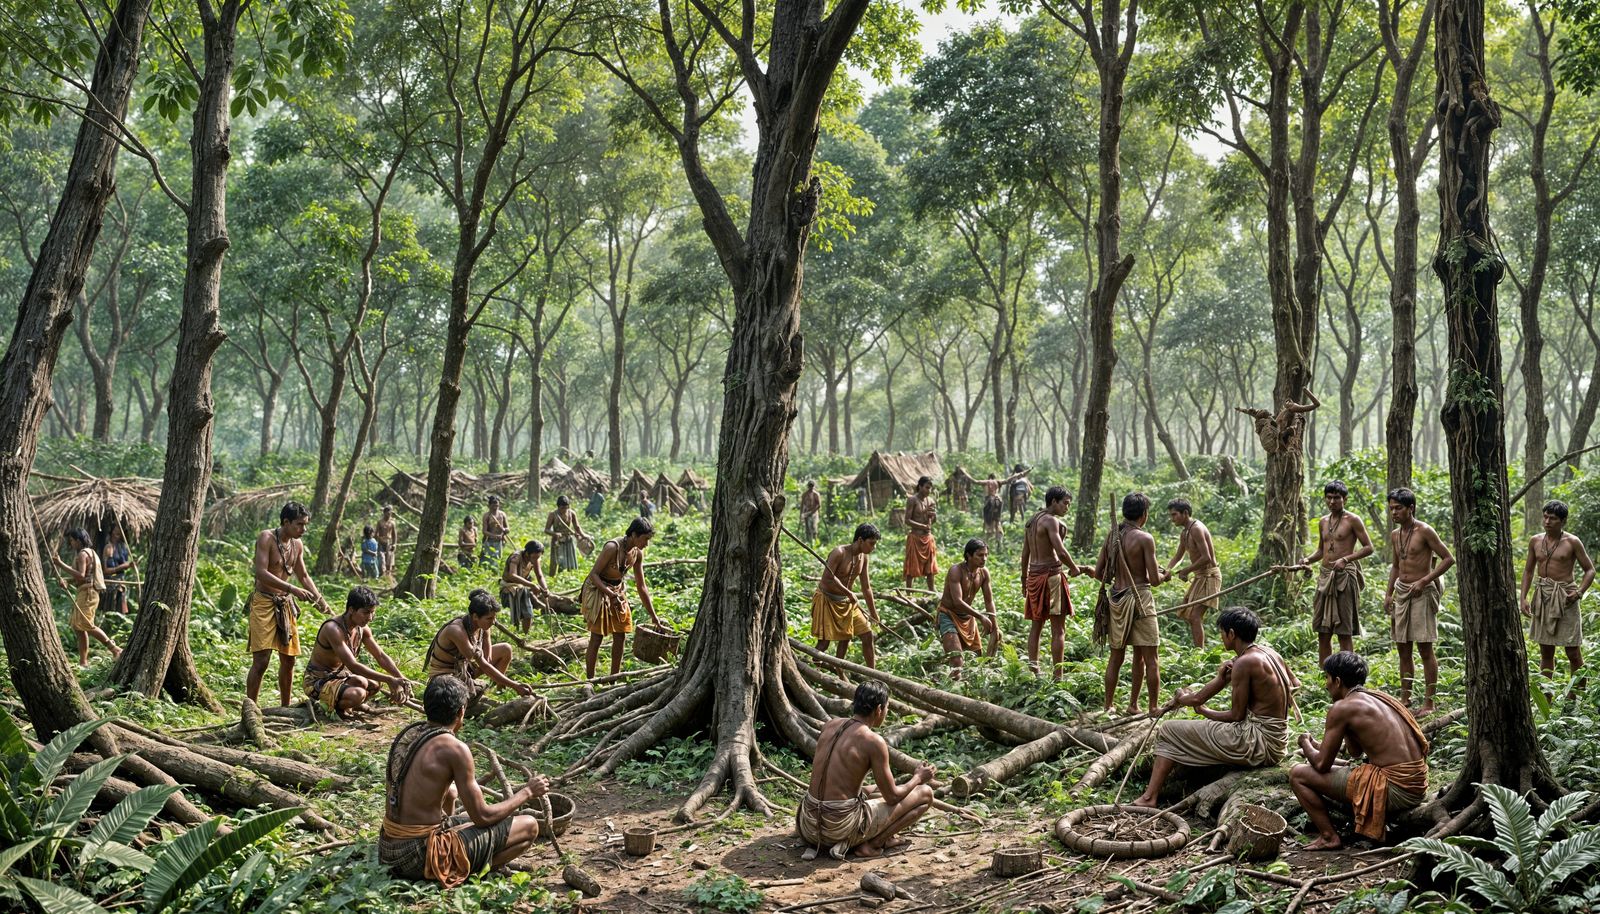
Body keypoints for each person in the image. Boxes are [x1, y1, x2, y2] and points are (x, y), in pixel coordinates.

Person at [380, 677, 547, 886]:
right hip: (417, 857)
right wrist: (527, 792)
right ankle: (469, 869)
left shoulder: (409, 733)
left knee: (463, 813)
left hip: (388, 849)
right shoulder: (454, 748)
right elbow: (483, 817)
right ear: (461, 711)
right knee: (529, 826)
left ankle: (466, 858)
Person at [1133, 608, 1294, 807]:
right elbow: (1295, 684)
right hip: (1278, 741)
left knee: (1168, 730)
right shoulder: (1268, 653)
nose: (1221, 637)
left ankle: (1149, 798)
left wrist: (1203, 711)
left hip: (1257, 743)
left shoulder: (1245, 662)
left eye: (1222, 632)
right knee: (1178, 729)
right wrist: (1218, 681)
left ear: (1232, 633)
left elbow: (1236, 715)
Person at [1290, 651, 1429, 850]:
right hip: (1417, 783)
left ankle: (1329, 837)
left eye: (1327, 678)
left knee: (1297, 774)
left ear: (1338, 681)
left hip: (1396, 789)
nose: (1326, 685)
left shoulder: (1342, 708)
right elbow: (1355, 752)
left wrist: (1304, 743)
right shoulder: (1380, 698)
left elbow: (1321, 765)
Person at [798, 681, 934, 860]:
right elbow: (892, 797)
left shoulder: (830, 724)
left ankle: (873, 837)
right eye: (887, 708)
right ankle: (872, 845)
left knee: (873, 790)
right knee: (925, 793)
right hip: (838, 828)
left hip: (808, 825)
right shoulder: (873, 741)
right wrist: (918, 778)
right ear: (879, 709)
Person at [246, 503, 330, 707]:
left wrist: (320, 600)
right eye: (299, 524)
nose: (303, 529)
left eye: (305, 524)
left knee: (289, 659)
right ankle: (250, 708)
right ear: (286, 522)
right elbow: (261, 573)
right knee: (262, 660)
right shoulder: (266, 538)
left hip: (285, 605)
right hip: (264, 602)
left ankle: (285, 707)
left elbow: (303, 575)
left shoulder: (297, 545)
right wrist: (292, 589)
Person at [1383, 488, 1454, 714]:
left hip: (1421, 594)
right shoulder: (1395, 535)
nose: (1394, 512)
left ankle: (1429, 702)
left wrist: (1424, 580)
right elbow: (1396, 566)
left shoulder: (1425, 531)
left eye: (1398, 508)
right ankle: (1405, 698)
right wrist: (1388, 594)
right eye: (1391, 508)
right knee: (1403, 648)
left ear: (1411, 508)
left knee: (1425, 648)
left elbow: (1448, 558)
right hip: (1402, 593)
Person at [1095, 493, 1163, 714]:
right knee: (1150, 657)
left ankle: (1111, 706)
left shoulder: (1113, 536)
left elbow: (1099, 573)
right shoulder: (1144, 538)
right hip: (1141, 599)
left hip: (1116, 599)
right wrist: (1165, 575)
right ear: (1144, 514)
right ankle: (1153, 707)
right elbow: (1154, 580)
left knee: (1117, 657)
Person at [1297, 482, 1375, 663]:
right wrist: (1307, 560)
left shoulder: (1353, 520)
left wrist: (1346, 559)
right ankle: (1325, 673)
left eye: (1337, 498)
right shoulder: (1323, 521)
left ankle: (1347, 673)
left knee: (1343, 631)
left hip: (1344, 578)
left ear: (1344, 499)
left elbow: (1368, 548)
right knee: (1323, 631)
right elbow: (1321, 550)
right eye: (1329, 498)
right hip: (1325, 578)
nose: (1332, 502)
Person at [303, 586, 409, 718]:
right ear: (351, 610)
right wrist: (390, 679)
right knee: (358, 693)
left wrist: (401, 679)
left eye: (372, 613)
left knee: (374, 684)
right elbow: (353, 665)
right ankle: (333, 708)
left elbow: (380, 656)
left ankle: (349, 705)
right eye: (366, 613)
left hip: (341, 676)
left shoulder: (362, 629)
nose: (370, 618)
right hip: (318, 681)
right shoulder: (333, 629)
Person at [1520, 499, 1595, 678]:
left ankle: (1576, 693)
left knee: (1573, 652)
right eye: (1545, 517)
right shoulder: (1535, 540)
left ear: (1563, 521)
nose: (1547, 521)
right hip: (1543, 596)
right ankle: (1546, 693)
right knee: (1546, 651)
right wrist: (1523, 598)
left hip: (1566, 597)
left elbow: (1590, 570)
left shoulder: (1572, 542)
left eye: (1552, 518)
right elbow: (1528, 571)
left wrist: (1578, 593)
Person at [581, 518, 661, 678]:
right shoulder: (612, 548)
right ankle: (590, 681)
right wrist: (610, 594)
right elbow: (593, 575)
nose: (647, 544)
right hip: (598, 589)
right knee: (596, 637)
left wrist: (654, 616)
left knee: (620, 635)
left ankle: (613, 679)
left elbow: (641, 586)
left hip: (617, 591)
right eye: (645, 539)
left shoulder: (637, 554)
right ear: (634, 535)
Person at [1021, 486, 1087, 680]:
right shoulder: (1050, 521)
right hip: (1051, 577)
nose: (1067, 507)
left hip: (1034, 576)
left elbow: (1025, 554)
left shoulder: (1032, 521)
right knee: (1058, 629)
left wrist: (1024, 579)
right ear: (1053, 502)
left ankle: (1034, 670)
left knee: (1036, 626)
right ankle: (1058, 676)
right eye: (1065, 503)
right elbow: (1061, 551)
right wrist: (1074, 568)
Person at [423, 589, 535, 700]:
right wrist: (515, 686)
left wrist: (509, 683)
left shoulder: (483, 626)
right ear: (475, 616)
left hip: (465, 668)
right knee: (460, 696)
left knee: (505, 649)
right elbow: (483, 665)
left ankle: (501, 691)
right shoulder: (456, 630)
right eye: (489, 618)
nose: (493, 622)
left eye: (494, 617)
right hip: (445, 678)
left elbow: (487, 660)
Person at [814, 524, 883, 668]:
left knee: (867, 635)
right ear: (860, 540)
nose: (874, 547)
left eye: (875, 544)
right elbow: (827, 579)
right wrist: (849, 593)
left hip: (847, 603)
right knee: (824, 643)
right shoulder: (839, 553)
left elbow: (866, 587)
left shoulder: (863, 558)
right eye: (871, 543)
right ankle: (814, 670)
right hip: (827, 600)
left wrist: (873, 613)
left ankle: (873, 675)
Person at [53, 528, 120, 666]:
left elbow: (81, 575)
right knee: (79, 627)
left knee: (87, 624)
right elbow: (84, 577)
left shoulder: (83, 554)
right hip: (87, 592)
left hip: (88, 593)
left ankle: (115, 649)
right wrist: (68, 581)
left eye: (72, 540)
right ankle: (83, 662)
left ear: (78, 540)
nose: (71, 544)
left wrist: (60, 564)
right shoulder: (91, 552)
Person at [1163, 498, 1221, 648]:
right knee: (1190, 615)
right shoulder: (1185, 533)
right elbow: (1178, 556)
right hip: (1200, 576)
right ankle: (1198, 649)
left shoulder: (1196, 528)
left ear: (1185, 513)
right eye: (1171, 515)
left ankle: (1199, 653)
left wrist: (1186, 571)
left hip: (1210, 576)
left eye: (1174, 515)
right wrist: (1167, 570)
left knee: (1195, 616)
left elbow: (1207, 557)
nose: (1172, 519)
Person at [937, 539, 997, 675]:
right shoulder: (956, 571)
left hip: (967, 618)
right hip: (949, 615)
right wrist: (981, 617)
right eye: (980, 555)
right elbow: (957, 602)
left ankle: (965, 685)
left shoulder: (983, 573)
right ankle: (951, 685)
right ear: (969, 555)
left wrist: (995, 626)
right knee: (956, 660)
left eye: (986, 555)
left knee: (976, 659)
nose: (984, 559)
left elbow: (989, 601)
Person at [502, 541, 549, 635]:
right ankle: (518, 633)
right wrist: (532, 585)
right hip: (509, 588)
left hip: (523, 588)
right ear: (527, 553)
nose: (536, 560)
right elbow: (512, 575)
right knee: (526, 611)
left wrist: (545, 589)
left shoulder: (535, 559)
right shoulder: (516, 557)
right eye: (534, 557)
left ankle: (525, 635)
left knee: (528, 613)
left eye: (538, 557)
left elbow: (539, 576)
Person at [902, 476, 939, 590]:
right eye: (927, 487)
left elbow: (933, 521)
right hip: (915, 537)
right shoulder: (912, 500)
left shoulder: (931, 501)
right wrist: (922, 526)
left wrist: (934, 516)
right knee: (911, 567)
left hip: (927, 537)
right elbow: (907, 520)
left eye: (930, 488)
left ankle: (932, 592)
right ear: (920, 486)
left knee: (930, 568)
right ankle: (909, 593)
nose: (929, 490)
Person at [544, 496, 586, 576]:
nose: (564, 510)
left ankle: (568, 577)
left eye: (566, 508)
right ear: (558, 507)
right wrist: (555, 534)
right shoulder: (553, 514)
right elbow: (546, 530)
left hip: (568, 540)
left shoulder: (571, 513)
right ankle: (552, 578)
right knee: (555, 561)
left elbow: (577, 527)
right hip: (557, 542)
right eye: (562, 508)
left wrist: (583, 535)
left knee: (570, 561)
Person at [102, 524, 134, 615]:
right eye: (116, 530)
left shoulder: (123, 547)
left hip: (121, 583)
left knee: (121, 612)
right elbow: (105, 571)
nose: (118, 532)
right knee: (110, 612)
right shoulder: (108, 548)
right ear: (112, 532)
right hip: (111, 584)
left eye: (120, 530)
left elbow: (125, 565)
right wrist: (122, 567)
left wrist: (130, 565)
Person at [481, 496, 508, 565]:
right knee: (488, 559)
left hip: (499, 541)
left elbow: (508, 529)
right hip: (489, 541)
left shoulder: (502, 515)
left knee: (497, 559)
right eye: (493, 506)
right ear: (489, 506)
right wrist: (494, 536)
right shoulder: (487, 516)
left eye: (497, 506)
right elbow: (484, 531)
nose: (495, 508)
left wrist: (503, 529)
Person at [376, 505, 398, 577]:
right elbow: (376, 533)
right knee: (382, 559)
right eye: (388, 513)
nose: (389, 515)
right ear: (384, 513)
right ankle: (382, 573)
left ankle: (388, 575)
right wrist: (379, 539)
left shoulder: (392, 523)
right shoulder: (380, 522)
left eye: (390, 513)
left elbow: (394, 535)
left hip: (389, 543)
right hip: (381, 542)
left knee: (389, 559)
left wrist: (394, 544)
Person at [981, 479, 1004, 547]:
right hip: (992, 518)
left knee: (993, 532)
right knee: (992, 532)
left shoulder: (996, 499)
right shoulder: (993, 498)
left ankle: (997, 544)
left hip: (993, 518)